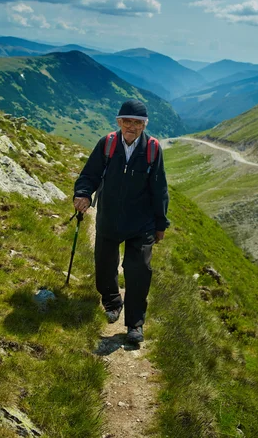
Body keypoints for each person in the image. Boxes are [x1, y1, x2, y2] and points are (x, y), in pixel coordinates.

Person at [73, 99, 170, 344]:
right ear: (119, 122)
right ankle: (112, 302)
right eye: (127, 121)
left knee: (139, 270)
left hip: (142, 222)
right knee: (105, 264)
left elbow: (159, 188)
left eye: (137, 122)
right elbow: (89, 174)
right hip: (109, 216)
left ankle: (135, 324)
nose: (131, 126)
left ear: (143, 125)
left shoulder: (152, 149)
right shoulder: (107, 144)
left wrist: (160, 224)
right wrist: (83, 193)